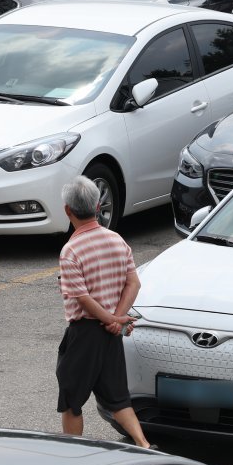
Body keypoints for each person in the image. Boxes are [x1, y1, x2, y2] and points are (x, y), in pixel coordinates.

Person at [56, 176, 152, 447]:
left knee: (71, 400)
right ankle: (143, 444)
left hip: (84, 333)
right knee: (117, 396)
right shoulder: (116, 240)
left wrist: (112, 319)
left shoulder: (71, 250)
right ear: (98, 207)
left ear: (68, 210)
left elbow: (83, 299)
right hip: (111, 332)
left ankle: (74, 452)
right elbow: (133, 282)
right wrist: (117, 319)